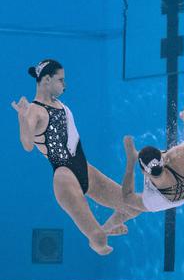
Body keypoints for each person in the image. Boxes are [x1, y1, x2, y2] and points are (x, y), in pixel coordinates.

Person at [11, 59, 140, 255]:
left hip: (86, 170)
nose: (65, 85)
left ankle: (106, 227)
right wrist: (22, 118)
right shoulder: (35, 111)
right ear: (46, 80)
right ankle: (99, 235)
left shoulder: (59, 104)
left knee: (134, 206)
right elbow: (28, 145)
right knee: (99, 242)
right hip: (65, 178)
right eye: (61, 80)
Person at [118, 97, 184, 215]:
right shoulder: (176, 158)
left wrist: (131, 162)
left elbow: (127, 197)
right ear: (162, 158)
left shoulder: (152, 201)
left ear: (144, 172)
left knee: (126, 214)